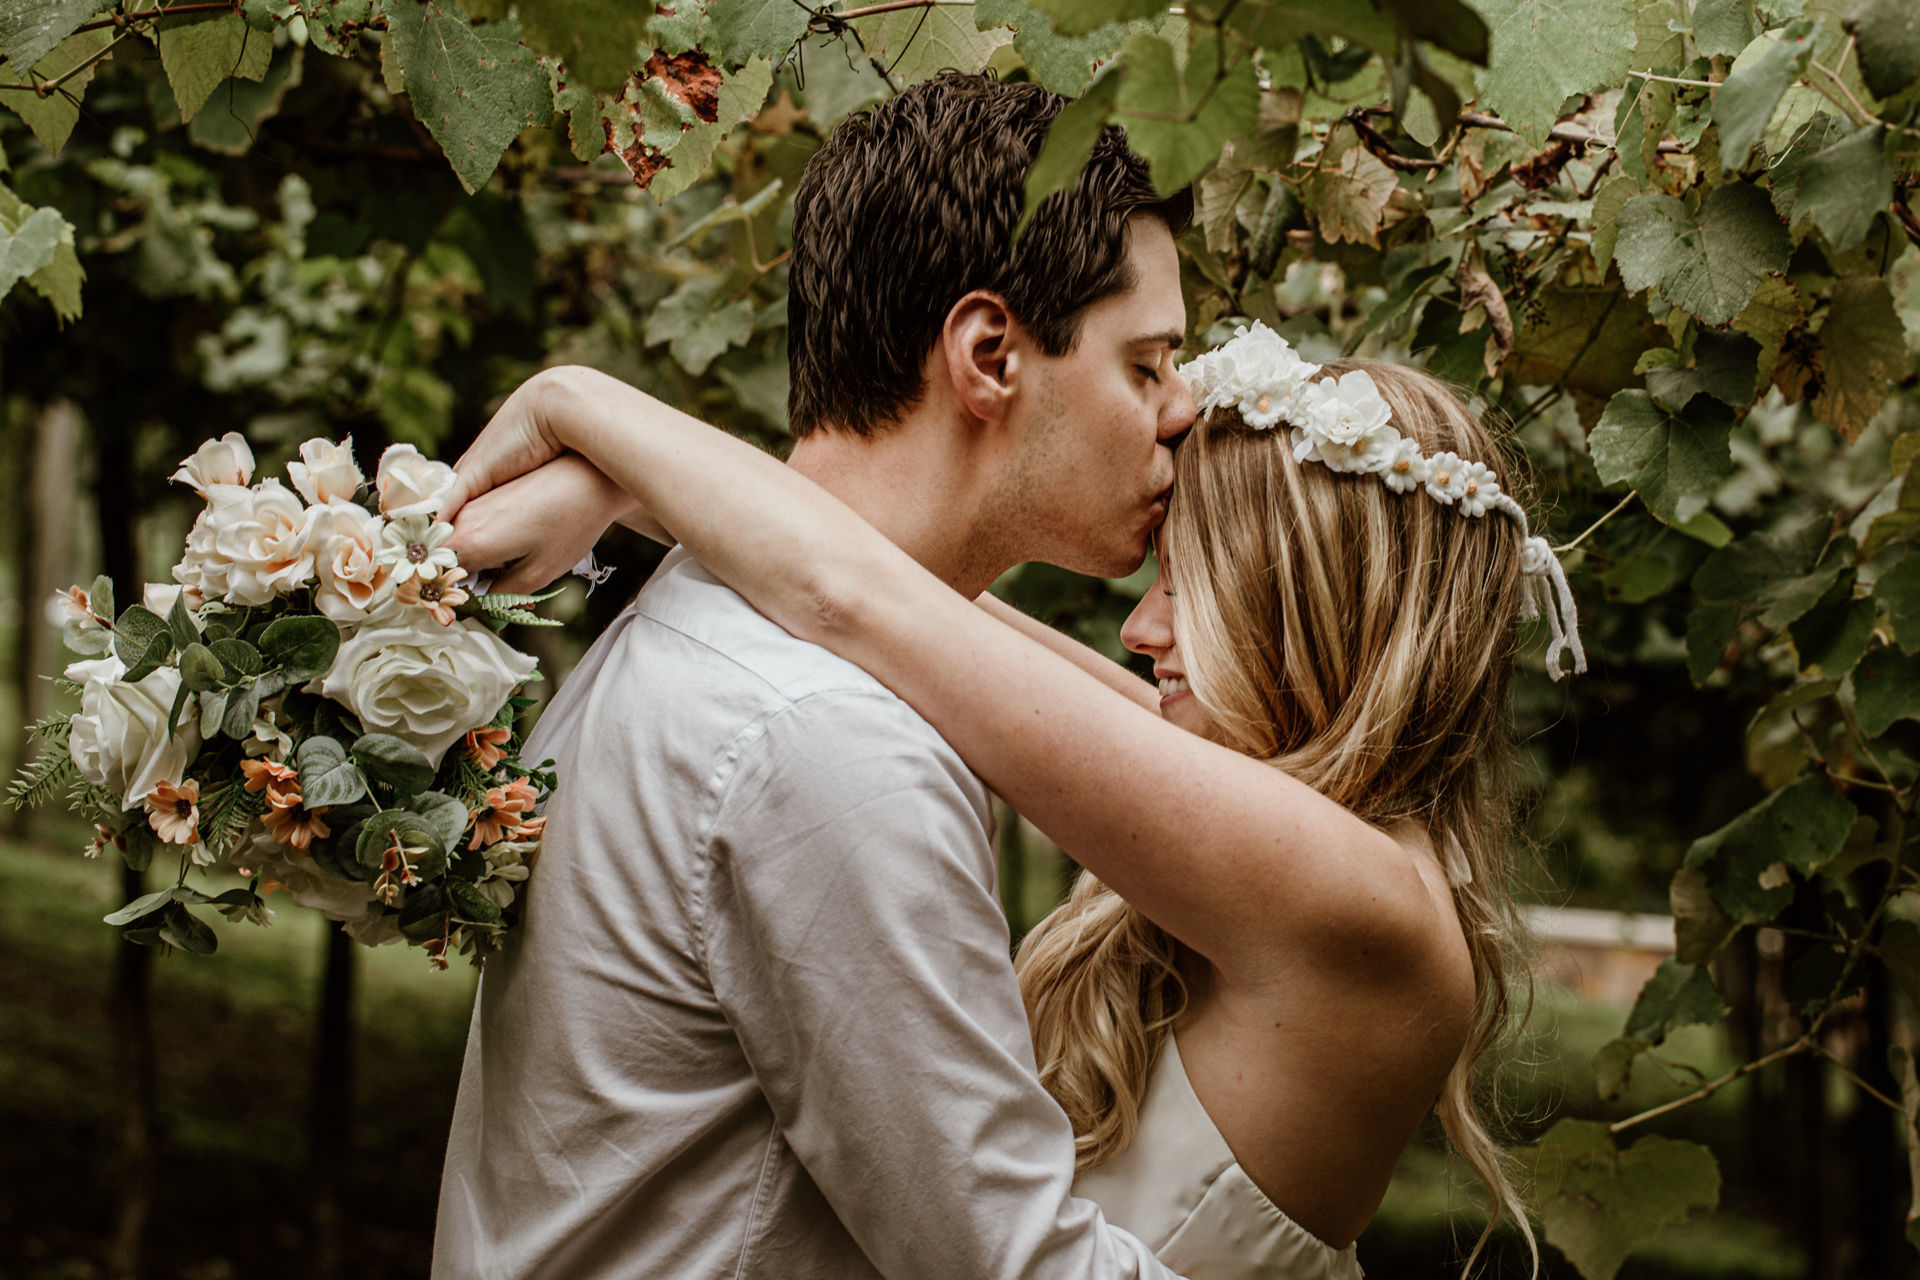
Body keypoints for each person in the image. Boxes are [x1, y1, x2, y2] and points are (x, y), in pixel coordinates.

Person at [445, 323, 1587, 1276]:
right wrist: (627, 490)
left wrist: (576, 402)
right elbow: (900, 584)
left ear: (1319, 613)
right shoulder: (1292, 823)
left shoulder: (1363, 903)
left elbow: (861, 599)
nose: (1140, 631)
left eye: (1193, 588)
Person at [431, 74, 1203, 1279]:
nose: (1181, 408)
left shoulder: (713, 613)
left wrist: (632, 471)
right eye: (1148, 363)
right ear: (990, 352)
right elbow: (1012, 1263)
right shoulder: (829, 743)